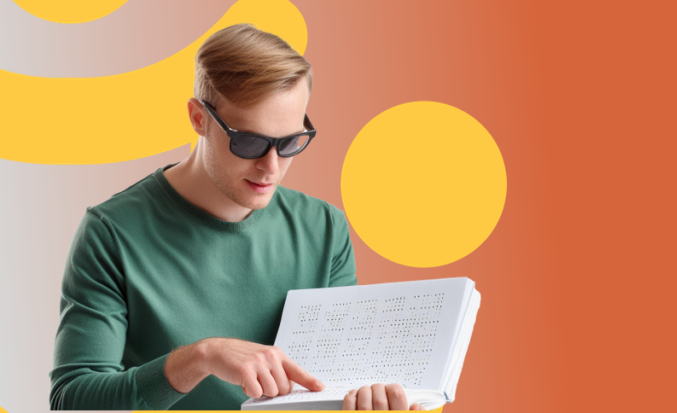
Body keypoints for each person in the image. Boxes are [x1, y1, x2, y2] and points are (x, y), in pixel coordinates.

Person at [49, 23, 423, 410]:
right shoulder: (111, 233)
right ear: (199, 119)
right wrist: (199, 358)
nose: (271, 168)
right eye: (249, 142)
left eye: (290, 143)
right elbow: (73, 401)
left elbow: (332, 386)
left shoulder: (324, 228)